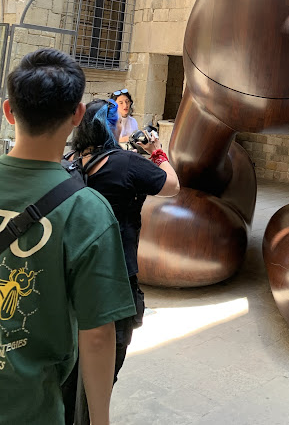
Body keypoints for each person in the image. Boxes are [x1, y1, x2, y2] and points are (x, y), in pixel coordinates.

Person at [0, 49, 135, 425]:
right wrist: (100, 420)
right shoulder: (87, 211)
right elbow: (97, 334)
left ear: (9, 111)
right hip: (28, 408)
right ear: (77, 115)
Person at [62, 98, 179, 423]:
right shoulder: (125, 163)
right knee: (105, 364)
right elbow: (172, 185)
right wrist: (157, 152)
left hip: (71, 275)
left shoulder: (67, 162)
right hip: (116, 276)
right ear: (110, 126)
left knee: (70, 363)